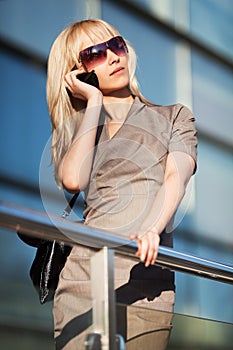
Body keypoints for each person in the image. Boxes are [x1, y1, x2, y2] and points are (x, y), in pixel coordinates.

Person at [46, 19, 197, 350]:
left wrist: (151, 230)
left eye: (116, 45)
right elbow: (73, 180)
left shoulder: (174, 116)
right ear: (77, 73)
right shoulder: (83, 130)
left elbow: (176, 177)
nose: (115, 57)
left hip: (146, 283)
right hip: (82, 285)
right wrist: (95, 104)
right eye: (95, 54)